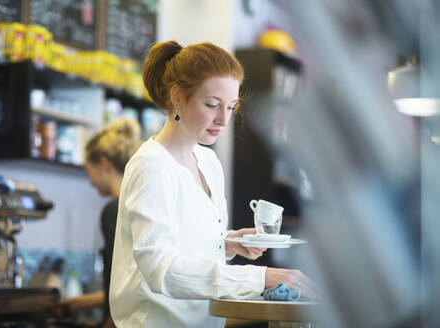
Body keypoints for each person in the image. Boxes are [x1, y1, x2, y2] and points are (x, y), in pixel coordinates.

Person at [110, 40, 317, 328]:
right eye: (212, 105)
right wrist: (260, 277)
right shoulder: (152, 166)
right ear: (178, 96)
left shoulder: (208, 163)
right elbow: (161, 268)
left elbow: (183, 241)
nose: (223, 119)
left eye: (231, 107)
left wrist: (226, 243)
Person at [59, 118, 142, 328]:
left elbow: (128, 288)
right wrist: (80, 302)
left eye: (89, 171)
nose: (91, 182)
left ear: (104, 164)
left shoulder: (115, 210)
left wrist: (108, 324)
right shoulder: (138, 203)